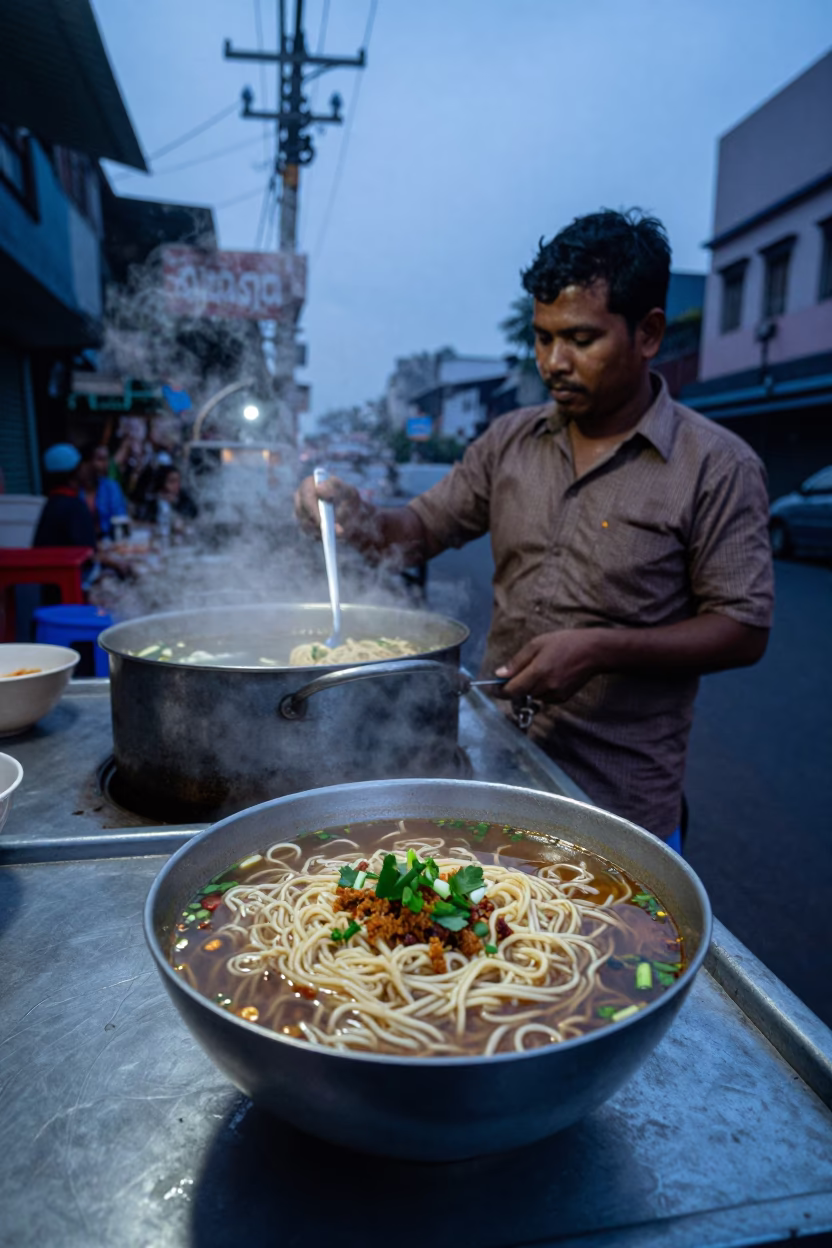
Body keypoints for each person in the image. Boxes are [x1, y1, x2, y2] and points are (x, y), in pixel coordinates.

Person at [295, 209, 774, 847]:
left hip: (619, 803)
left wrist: (601, 648)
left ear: (649, 332)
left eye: (580, 338)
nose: (554, 362)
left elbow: (743, 630)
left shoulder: (716, 465)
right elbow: (416, 529)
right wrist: (353, 517)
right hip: (492, 775)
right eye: (543, 338)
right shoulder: (511, 440)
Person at [78, 442, 130, 540]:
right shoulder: (76, 489)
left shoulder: (111, 486)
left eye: (107, 459)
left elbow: (120, 517)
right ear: (87, 462)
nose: (105, 464)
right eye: (100, 459)